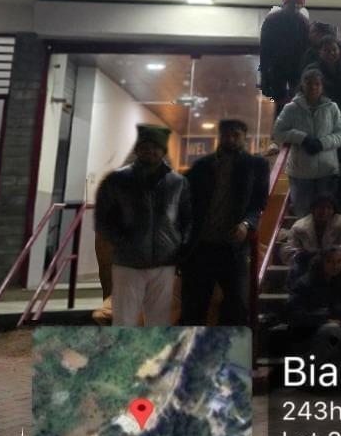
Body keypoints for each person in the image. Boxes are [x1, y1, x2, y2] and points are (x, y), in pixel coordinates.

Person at [94, 124, 190, 327]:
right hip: (128, 262)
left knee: (159, 320)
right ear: (137, 149)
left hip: (164, 263)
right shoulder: (116, 180)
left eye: (156, 147)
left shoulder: (178, 183)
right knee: (125, 319)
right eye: (146, 146)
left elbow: (186, 219)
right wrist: (124, 243)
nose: (151, 151)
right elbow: (103, 220)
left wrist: (179, 247)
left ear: (163, 151)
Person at [181, 118, 269, 326]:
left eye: (236, 135)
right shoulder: (202, 166)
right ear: (220, 137)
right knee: (194, 307)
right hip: (201, 246)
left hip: (233, 248)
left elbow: (259, 204)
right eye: (226, 135)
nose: (230, 139)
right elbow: (185, 200)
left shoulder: (256, 165)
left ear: (244, 138)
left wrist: (246, 224)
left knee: (237, 307)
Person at [273, 67, 341, 216]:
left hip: (327, 172)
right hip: (300, 174)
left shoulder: (332, 108)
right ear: (302, 85)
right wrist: (302, 138)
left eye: (317, 84)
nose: (313, 87)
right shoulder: (291, 108)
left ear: (322, 86)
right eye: (309, 84)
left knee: (326, 216)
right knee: (303, 216)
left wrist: (322, 143)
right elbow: (278, 133)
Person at [283, 249, 341, 365]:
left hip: (339, 325)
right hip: (309, 329)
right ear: (321, 262)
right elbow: (292, 312)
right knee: (332, 329)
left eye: (339, 261)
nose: (335, 266)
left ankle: (335, 366)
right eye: (330, 262)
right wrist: (324, 319)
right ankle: (310, 367)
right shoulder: (306, 282)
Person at [280, 193, 341, 288]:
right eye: (320, 208)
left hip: (335, 260)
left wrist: (335, 254)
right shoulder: (299, 226)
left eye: (329, 208)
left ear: (333, 210)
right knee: (296, 268)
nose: (324, 211)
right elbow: (290, 248)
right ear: (313, 209)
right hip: (308, 261)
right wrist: (305, 256)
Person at [259, 0, 311, 116]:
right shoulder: (302, 22)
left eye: (297, 4)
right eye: (293, 4)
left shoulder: (300, 22)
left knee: (286, 105)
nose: (295, 7)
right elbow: (265, 50)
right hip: (283, 69)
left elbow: (264, 50)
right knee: (285, 104)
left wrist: (265, 76)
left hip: (287, 69)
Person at [304, 29, 341, 118]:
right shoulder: (312, 70)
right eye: (326, 50)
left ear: (339, 51)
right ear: (319, 52)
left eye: (334, 49)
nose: (331, 53)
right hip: (318, 115)